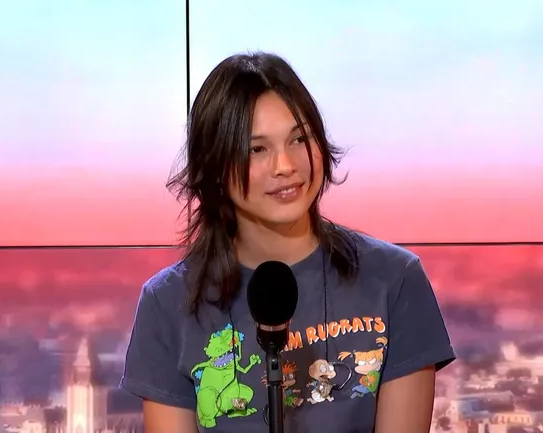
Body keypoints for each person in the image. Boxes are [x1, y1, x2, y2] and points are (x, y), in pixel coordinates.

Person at [119, 51, 456, 433]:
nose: (286, 166)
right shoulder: (168, 303)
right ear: (214, 167)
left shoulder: (394, 280)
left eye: (299, 139)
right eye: (257, 149)